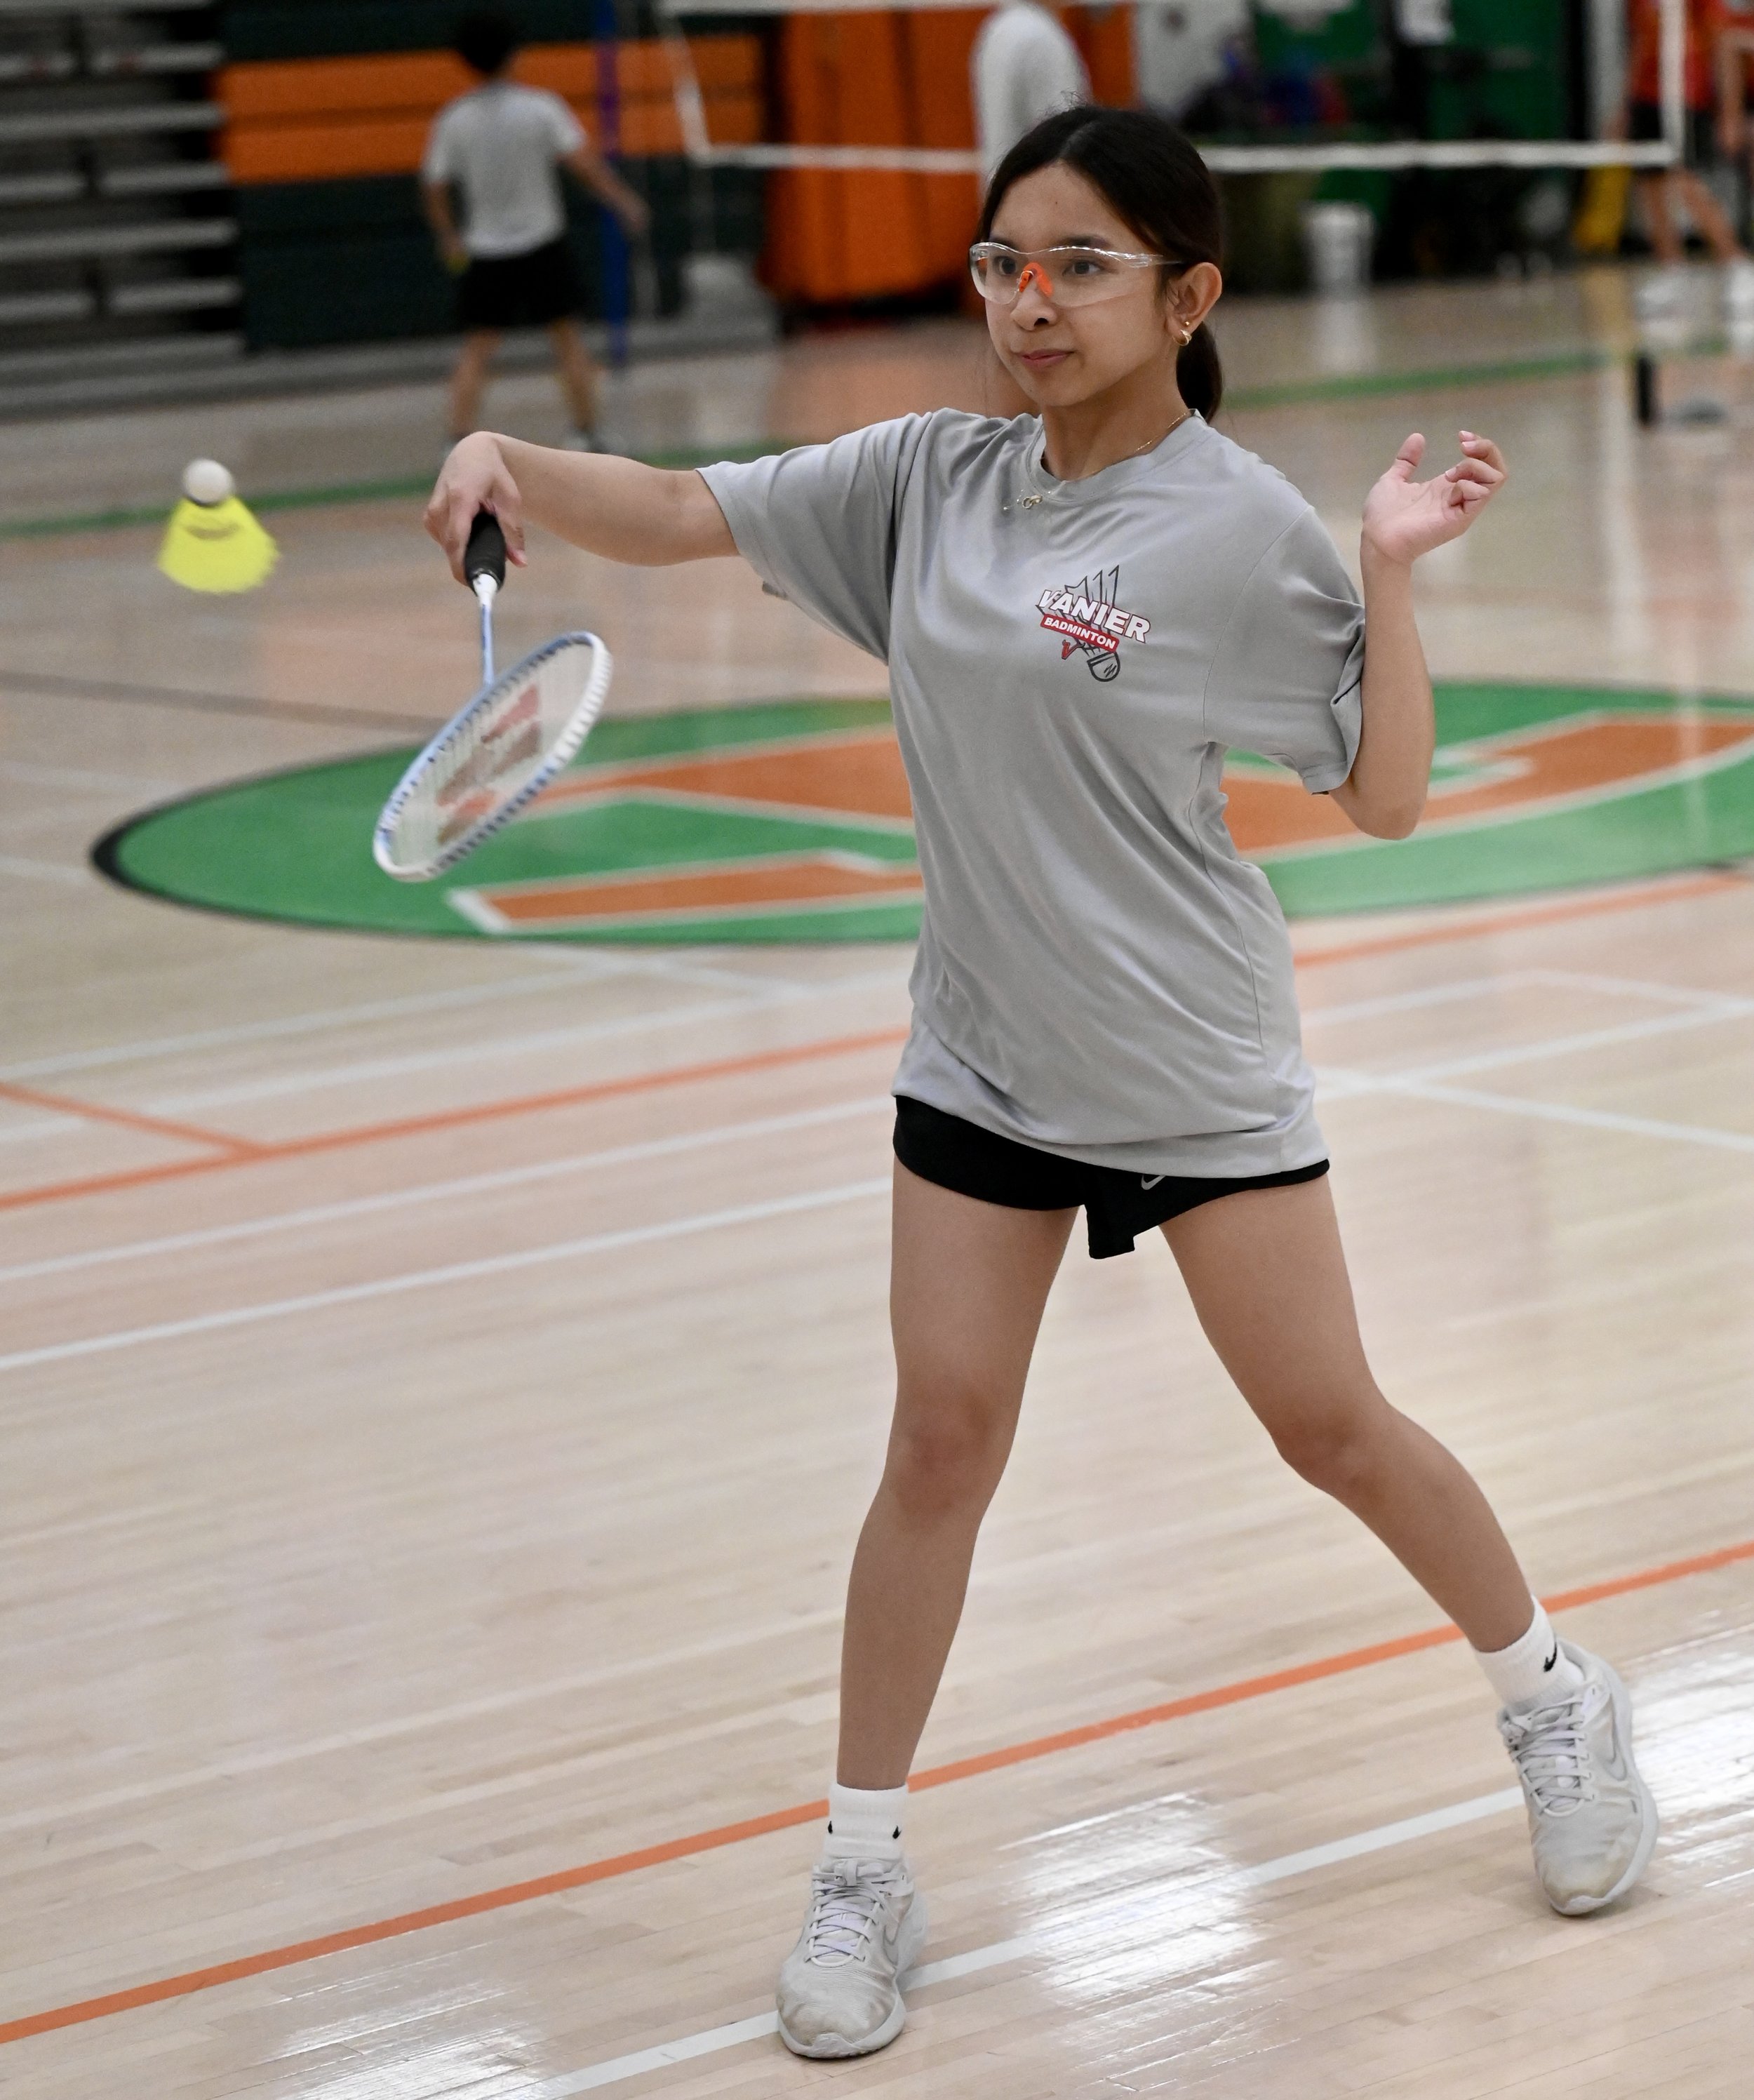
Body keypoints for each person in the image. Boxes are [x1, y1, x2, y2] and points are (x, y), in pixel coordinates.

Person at [424, 104, 1660, 2066]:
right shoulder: (924, 482)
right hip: (986, 1050)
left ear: (1186, 296)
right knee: (938, 1440)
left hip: (1185, 1056)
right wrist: (510, 459)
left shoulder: (1237, 528)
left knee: (1329, 1429)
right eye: (1004, 261)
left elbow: (1386, 791)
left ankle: (1552, 1696)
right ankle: (860, 1864)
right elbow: (676, 507)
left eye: (1077, 265)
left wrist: (1386, 579)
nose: (1027, 299)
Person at [422, 6, 650, 452]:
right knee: (568, 341)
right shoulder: (541, 108)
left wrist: (448, 236)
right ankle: (586, 433)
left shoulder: (454, 119)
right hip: (542, 244)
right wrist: (623, 202)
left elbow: (435, 186)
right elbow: (584, 164)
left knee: (477, 350)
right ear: (513, 54)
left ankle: (456, 440)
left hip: (485, 250)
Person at [1617, 0, 1754, 309]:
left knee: (1685, 181)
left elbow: (1722, 45)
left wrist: (1729, 111)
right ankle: (1672, 270)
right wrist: (1626, 105)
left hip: (1685, 95)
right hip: (1646, 97)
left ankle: (1736, 263)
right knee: (1650, 186)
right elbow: (1639, 43)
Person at [971, 0, 1089, 182]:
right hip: (1044, 197)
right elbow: (1066, 138)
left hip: (1006, 195)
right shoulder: (1042, 39)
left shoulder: (995, 29)